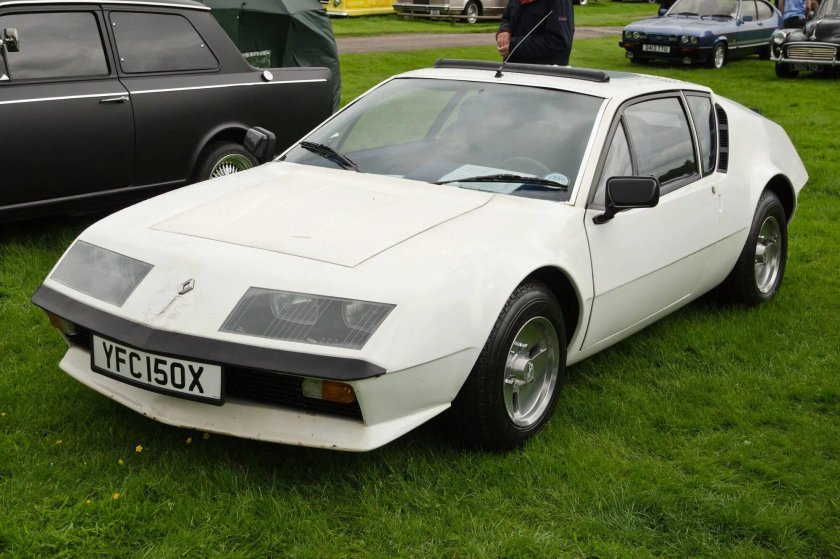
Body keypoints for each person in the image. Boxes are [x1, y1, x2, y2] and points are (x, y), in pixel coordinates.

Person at [495, 0, 574, 66]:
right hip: (513, 71)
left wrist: (515, 46)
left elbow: (559, 41)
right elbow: (507, 17)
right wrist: (504, 29)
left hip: (543, 76)